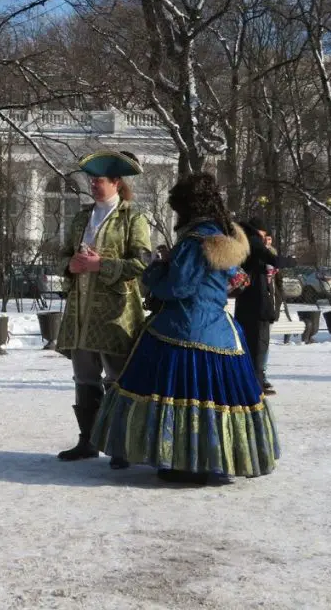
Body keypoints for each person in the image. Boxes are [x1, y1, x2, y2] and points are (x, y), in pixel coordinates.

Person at [92, 173, 280, 483]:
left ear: (187, 207)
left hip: (181, 327)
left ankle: (184, 461)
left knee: (175, 394)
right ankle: (212, 458)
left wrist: (155, 271)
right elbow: (237, 281)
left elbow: (178, 287)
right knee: (215, 398)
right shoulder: (223, 236)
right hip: (219, 330)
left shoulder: (195, 241)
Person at [55, 150, 153, 463]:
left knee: (117, 380)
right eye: (92, 180)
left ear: (116, 183)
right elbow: (63, 256)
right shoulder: (81, 217)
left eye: (99, 181)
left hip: (116, 313)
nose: (94, 185)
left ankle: (120, 445)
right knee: (84, 378)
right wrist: (70, 265)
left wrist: (101, 265)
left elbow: (142, 263)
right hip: (80, 311)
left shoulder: (133, 218)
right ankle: (87, 440)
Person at [235, 217, 292, 396]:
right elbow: (272, 259)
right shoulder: (253, 242)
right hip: (256, 303)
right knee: (257, 346)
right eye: (264, 235)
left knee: (252, 345)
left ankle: (253, 383)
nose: (265, 239)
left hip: (248, 302)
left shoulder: (244, 241)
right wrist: (290, 261)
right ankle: (255, 386)